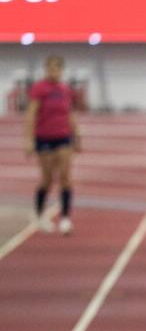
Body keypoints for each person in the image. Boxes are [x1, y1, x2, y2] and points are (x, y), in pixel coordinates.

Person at [24, 56, 80, 235]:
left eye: (56, 68)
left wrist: (77, 135)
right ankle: (39, 214)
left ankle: (65, 218)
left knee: (66, 177)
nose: (53, 72)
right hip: (44, 138)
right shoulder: (39, 89)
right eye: (49, 68)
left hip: (63, 137)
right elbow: (31, 115)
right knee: (47, 179)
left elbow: (69, 113)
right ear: (45, 69)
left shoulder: (65, 90)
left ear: (61, 70)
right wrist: (29, 140)